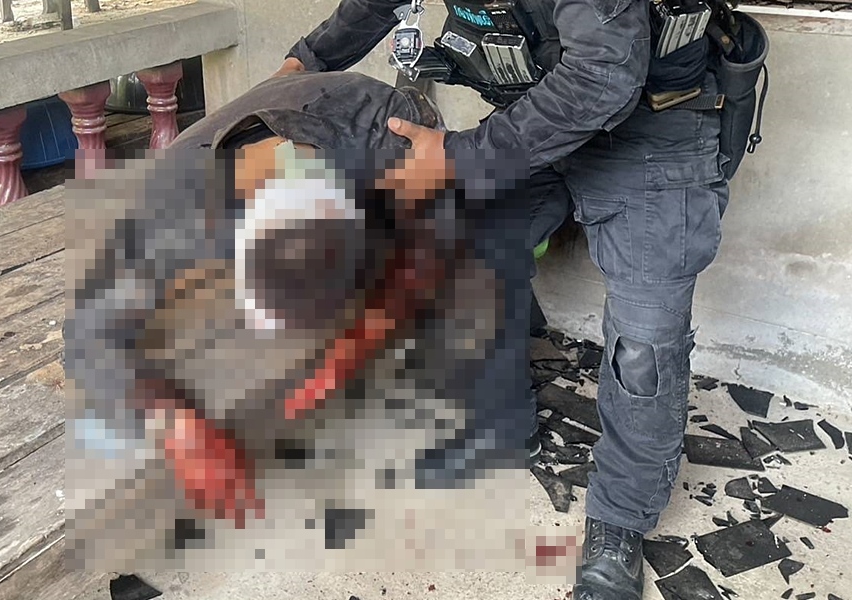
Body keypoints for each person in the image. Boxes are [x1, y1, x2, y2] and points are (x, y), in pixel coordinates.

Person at [270, 1, 746, 598]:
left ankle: (621, 518)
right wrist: (305, 62)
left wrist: (457, 155)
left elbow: (603, 75)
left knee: (643, 345)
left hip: (653, 129)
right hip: (537, 116)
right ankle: (499, 426)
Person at [66, 68, 532, 528]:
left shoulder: (392, 159)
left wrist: (335, 367)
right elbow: (89, 333)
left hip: (363, 127)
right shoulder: (162, 221)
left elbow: (416, 272)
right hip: (277, 148)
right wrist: (181, 432)